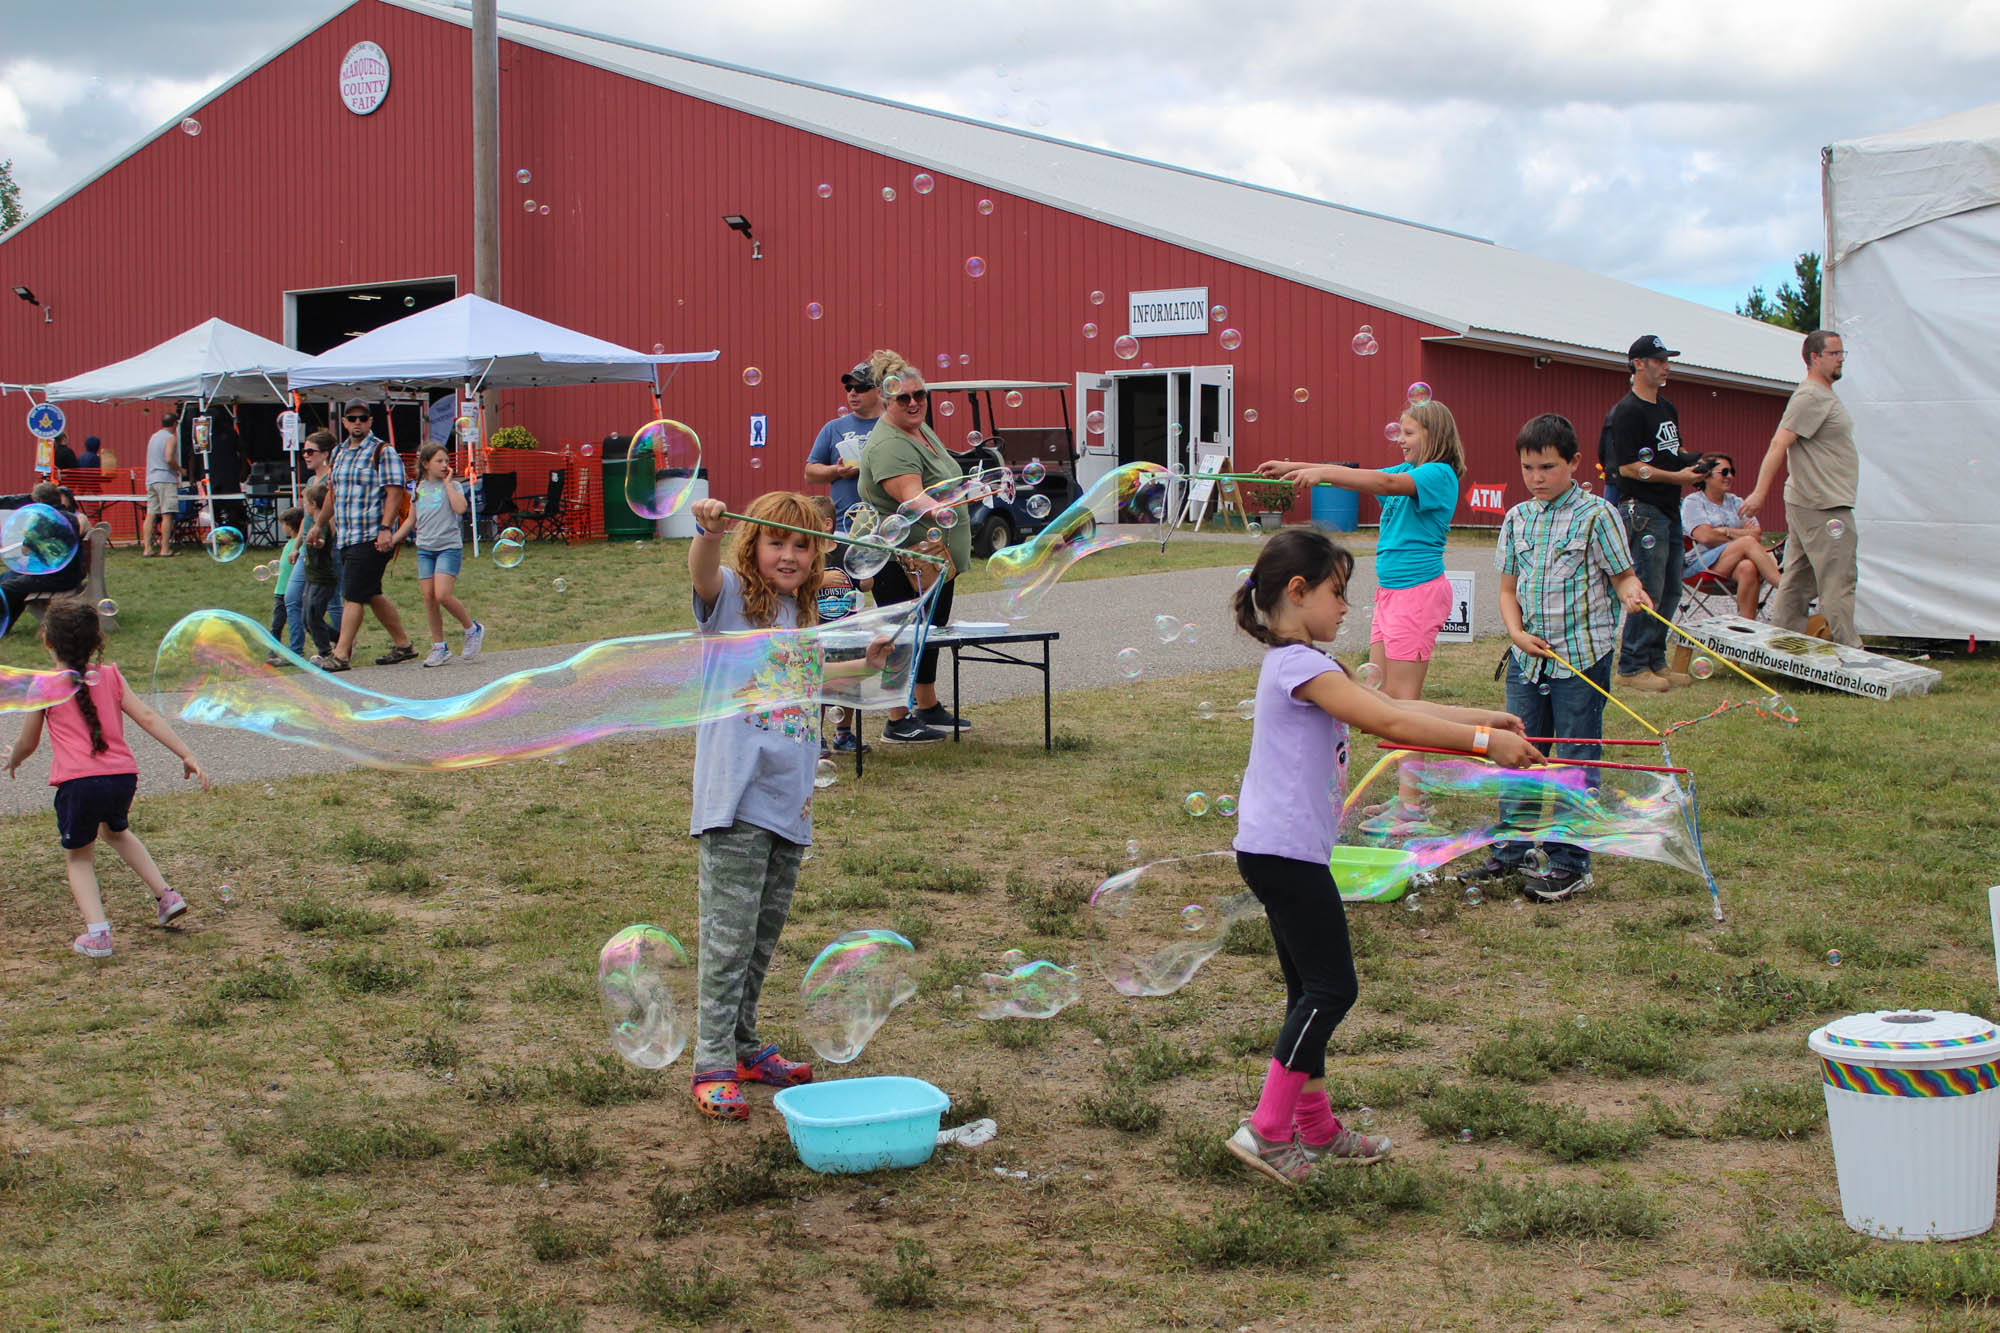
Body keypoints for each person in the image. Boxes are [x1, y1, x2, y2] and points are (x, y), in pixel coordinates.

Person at [1224, 529, 1540, 1185]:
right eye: (1338, 593)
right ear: (1297, 591)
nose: (1347, 607)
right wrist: (1483, 745)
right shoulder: (1299, 667)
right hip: (1284, 854)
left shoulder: (1313, 664)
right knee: (1332, 989)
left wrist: (1486, 719)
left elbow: (1395, 704)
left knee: (1309, 991)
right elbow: (1388, 726)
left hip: (1282, 850)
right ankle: (1267, 1129)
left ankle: (1315, 1127)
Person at [683, 491, 844, 1120]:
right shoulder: (730, 600)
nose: (790, 555)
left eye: (803, 545)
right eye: (777, 542)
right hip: (736, 799)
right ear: (752, 547)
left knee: (760, 938)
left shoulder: (806, 618)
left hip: (789, 804)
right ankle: (712, 1061)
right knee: (727, 939)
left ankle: (744, 1045)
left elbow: (812, 683)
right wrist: (708, 533)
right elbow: (702, 573)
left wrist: (870, 662)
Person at [1459, 413, 1652, 904]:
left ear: (1574, 463)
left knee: (1574, 757)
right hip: (1527, 660)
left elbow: (1622, 576)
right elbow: (1507, 590)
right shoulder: (1517, 518)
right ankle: (1513, 851)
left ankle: (1569, 862)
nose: (1536, 477)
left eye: (1547, 467)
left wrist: (1632, 592)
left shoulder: (1597, 515)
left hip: (1580, 659)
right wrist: (1516, 634)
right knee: (1517, 751)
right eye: (1527, 468)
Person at [4, 599, 211, 958]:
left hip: (79, 784)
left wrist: (14, 759)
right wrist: (186, 752)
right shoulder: (112, 675)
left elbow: (28, 741)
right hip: (122, 778)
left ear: (47, 641)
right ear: (97, 640)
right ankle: (167, 896)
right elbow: (147, 716)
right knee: (116, 832)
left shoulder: (44, 685)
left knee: (79, 858)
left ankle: (98, 934)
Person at [1257, 399, 1468, 698]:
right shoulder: (1410, 470)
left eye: (1408, 433)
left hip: (1416, 592)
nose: (1400, 440)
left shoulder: (1439, 474)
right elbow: (1361, 477)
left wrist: (1322, 475)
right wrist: (1292, 467)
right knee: (1379, 691)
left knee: (1402, 698)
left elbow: (1385, 483)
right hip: (1392, 591)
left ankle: (1426, 734)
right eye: (1400, 432)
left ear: (1433, 436)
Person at [857, 353, 969, 745]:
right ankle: (896, 718)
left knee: (930, 631)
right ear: (886, 400)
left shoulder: (919, 429)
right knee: (902, 635)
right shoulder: (890, 444)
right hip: (902, 559)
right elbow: (911, 495)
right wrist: (941, 510)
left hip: (931, 557)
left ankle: (927, 705)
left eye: (919, 394)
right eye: (903, 397)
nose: (913, 402)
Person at [1740, 330, 1860, 646]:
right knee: (1839, 580)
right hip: (1822, 504)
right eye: (1834, 353)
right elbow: (1779, 443)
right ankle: (1850, 652)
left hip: (1813, 501)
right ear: (1814, 357)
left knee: (1797, 581)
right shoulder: (1811, 397)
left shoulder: (1821, 395)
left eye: (1842, 353)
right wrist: (1759, 493)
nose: (1840, 359)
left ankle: (1782, 647)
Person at [1602, 335, 1704, 693]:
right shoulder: (1626, 412)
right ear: (1639, 364)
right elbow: (1628, 467)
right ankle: (1632, 665)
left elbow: (1670, 452)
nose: (1666, 367)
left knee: (1672, 589)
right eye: (1659, 360)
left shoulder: (1667, 408)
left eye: (1667, 360)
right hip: (1642, 509)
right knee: (1648, 587)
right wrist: (1678, 477)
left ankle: (1655, 661)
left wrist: (1696, 464)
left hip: (1669, 507)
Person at [806, 362, 883, 753]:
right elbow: (810, 471)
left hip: (881, 533)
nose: (852, 393)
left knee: (860, 646)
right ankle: (816, 732)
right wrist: (837, 470)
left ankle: (850, 729)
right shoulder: (834, 428)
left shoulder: (889, 427)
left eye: (860, 387)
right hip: (843, 532)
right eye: (848, 387)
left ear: (878, 390)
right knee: (824, 662)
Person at [323, 399, 417, 672]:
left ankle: (341, 654)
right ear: (344, 422)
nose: (357, 423)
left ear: (370, 421)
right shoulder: (339, 453)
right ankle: (403, 645)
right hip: (346, 536)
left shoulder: (382, 451)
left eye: (362, 418)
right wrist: (318, 525)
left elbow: (395, 492)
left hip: (371, 536)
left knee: (353, 594)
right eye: (352, 418)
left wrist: (386, 529)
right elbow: (332, 492)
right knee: (371, 592)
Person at [392, 442, 485, 668]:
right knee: (429, 598)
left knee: (442, 594)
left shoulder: (453, 485)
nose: (444, 465)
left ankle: (472, 629)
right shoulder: (418, 488)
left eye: (446, 461)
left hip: (448, 548)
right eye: (439, 461)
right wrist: (392, 540)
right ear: (425, 464)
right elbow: (411, 520)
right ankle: (439, 647)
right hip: (425, 549)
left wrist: (447, 484)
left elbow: (460, 508)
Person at [1682, 453, 1781, 619]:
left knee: (1748, 567)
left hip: (1730, 563)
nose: (1730, 476)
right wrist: (1741, 537)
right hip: (1700, 565)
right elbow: (1705, 537)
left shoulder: (1736, 501)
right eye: (1724, 472)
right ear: (1706, 475)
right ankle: (1783, 586)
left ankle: (1746, 626)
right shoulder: (1694, 502)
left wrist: (1725, 531)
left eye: (1732, 472)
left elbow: (1757, 533)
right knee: (1747, 542)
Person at [0, 483, 90, 636]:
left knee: (7, 587)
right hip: (70, 574)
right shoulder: (70, 518)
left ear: (39, 501)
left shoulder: (41, 520)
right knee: (8, 578)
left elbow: (25, 550)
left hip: (53, 576)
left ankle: (3, 624)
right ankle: (6, 625)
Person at [299, 480, 341, 664]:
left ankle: (326, 652)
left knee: (313, 617)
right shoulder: (314, 524)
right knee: (306, 619)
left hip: (323, 579)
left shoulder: (322, 525)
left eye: (305, 503)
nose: (304, 507)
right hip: (312, 578)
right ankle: (342, 639)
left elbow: (322, 541)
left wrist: (317, 543)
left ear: (314, 504)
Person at [267, 506, 306, 665]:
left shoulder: (300, 546)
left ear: (290, 525)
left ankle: (296, 651)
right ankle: (272, 653)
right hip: (280, 592)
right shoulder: (291, 543)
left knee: (294, 622)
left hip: (291, 592)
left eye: (283, 524)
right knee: (276, 625)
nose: (282, 527)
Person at [140, 409, 181, 557]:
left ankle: (147, 549)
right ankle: (165, 549)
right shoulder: (171, 438)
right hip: (165, 479)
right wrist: (180, 469)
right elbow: (169, 458)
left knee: (151, 514)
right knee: (167, 514)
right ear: (175, 424)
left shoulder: (154, 437)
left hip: (151, 479)